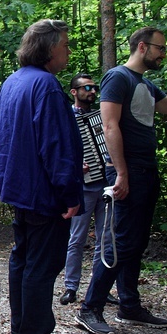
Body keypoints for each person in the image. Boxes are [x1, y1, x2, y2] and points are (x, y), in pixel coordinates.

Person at [75, 26, 167, 334]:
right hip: (128, 171)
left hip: (146, 170)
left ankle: (129, 306)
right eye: (160, 48)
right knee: (121, 242)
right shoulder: (118, 77)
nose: (164, 53)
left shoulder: (145, 85)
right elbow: (109, 126)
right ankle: (89, 309)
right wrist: (120, 172)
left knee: (136, 242)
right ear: (142, 47)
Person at [0, 19, 83, 334]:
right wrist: (69, 194)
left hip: (20, 189)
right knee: (41, 264)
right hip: (44, 194)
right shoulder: (45, 85)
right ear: (48, 49)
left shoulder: (13, 82)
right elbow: (55, 146)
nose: (69, 51)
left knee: (23, 258)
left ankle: (21, 330)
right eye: (65, 45)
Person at [60, 73, 119, 306]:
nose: (93, 92)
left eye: (95, 88)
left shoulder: (104, 115)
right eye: (87, 88)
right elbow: (60, 149)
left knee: (106, 239)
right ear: (74, 92)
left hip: (106, 184)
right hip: (83, 187)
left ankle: (100, 288)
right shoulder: (66, 117)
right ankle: (70, 287)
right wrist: (74, 165)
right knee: (77, 238)